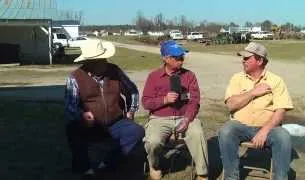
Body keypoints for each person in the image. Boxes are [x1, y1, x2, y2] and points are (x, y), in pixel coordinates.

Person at [64, 39, 145, 178]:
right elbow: (71, 105)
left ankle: (108, 162)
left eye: (103, 58)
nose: (104, 62)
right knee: (72, 128)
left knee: (136, 131)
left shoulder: (115, 71)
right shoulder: (75, 77)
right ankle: (84, 167)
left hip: (116, 121)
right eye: (99, 60)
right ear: (89, 62)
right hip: (91, 124)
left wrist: (131, 110)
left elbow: (132, 90)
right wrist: (82, 115)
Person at [219, 42, 294, 180]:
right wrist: (253, 92)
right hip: (240, 125)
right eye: (243, 58)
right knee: (226, 131)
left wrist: (264, 131)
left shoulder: (276, 81)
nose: (243, 60)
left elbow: (281, 110)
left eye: (247, 58)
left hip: (269, 127)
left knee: (283, 137)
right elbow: (230, 105)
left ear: (259, 60)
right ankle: (231, 177)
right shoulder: (237, 78)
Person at [142, 40, 209, 180]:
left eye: (182, 57)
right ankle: (155, 165)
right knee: (152, 141)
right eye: (177, 57)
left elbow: (194, 100)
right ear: (165, 58)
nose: (181, 60)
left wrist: (187, 118)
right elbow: (146, 102)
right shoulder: (153, 76)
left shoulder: (189, 76)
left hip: (184, 117)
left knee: (197, 133)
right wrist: (164, 100)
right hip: (160, 118)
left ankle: (202, 173)